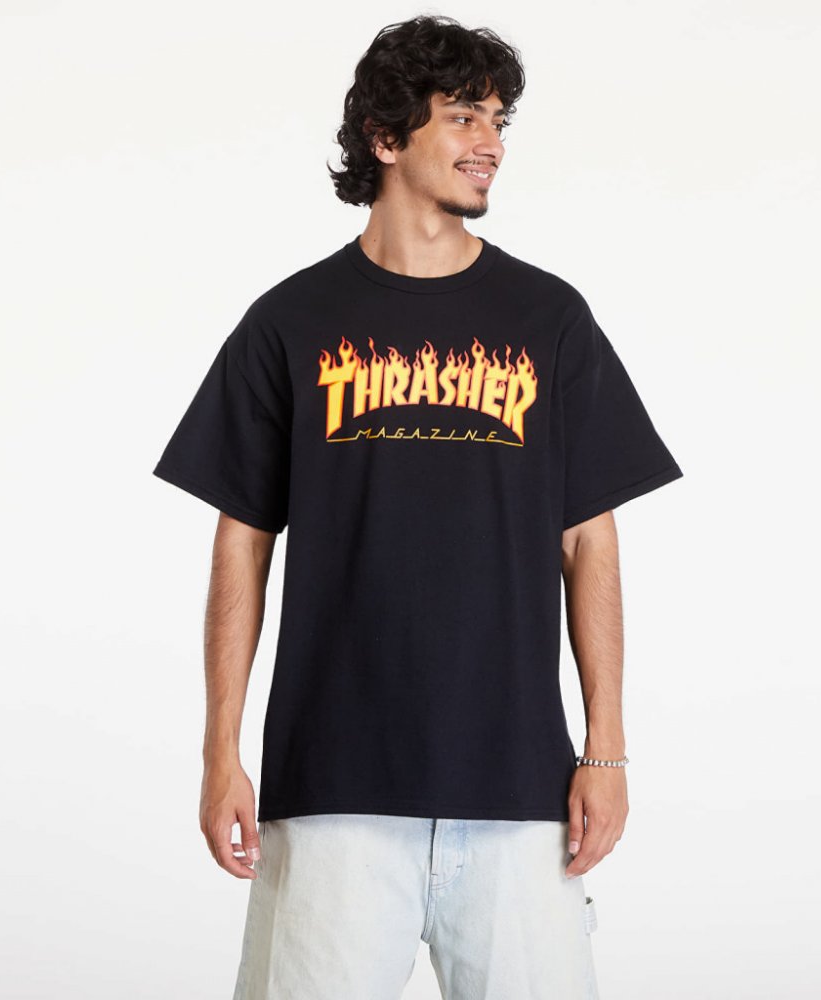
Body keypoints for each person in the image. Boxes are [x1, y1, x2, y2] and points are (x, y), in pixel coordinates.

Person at [152, 13, 683, 1000]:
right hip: (334, 792)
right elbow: (242, 542)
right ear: (385, 136)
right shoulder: (291, 322)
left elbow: (588, 540)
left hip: (520, 794)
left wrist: (604, 750)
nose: (491, 142)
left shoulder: (548, 319)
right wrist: (220, 751)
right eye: (464, 115)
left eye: (499, 119)